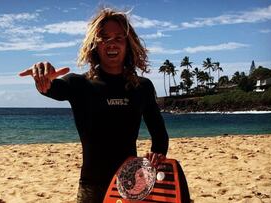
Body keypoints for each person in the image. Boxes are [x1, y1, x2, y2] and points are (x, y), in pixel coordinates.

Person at [19, 8, 169, 203]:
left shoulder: (142, 87)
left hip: (130, 185)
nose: (111, 43)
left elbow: (159, 135)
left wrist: (157, 156)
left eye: (118, 37)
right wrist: (43, 80)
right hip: (91, 188)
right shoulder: (79, 84)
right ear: (94, 45)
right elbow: (53, 88)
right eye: (104, 38)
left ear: (128, 43)